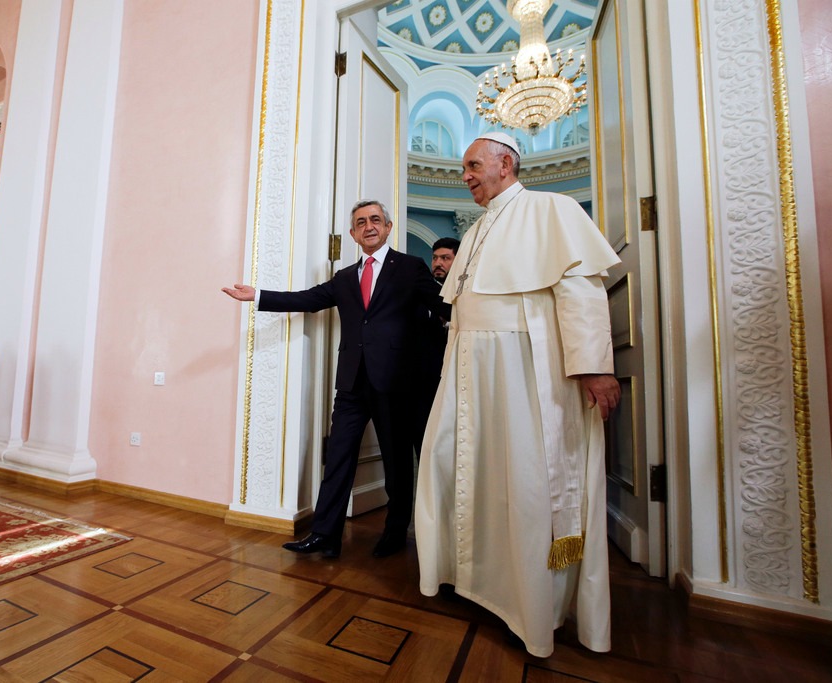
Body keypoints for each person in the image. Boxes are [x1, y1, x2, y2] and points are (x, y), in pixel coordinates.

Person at [414, 132, 622, 658]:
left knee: (524, 480)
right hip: (466, 371)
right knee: (468, 473)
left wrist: (595, 367)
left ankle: (534, 604)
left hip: (523, 371)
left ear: (506, 163)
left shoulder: (551, 209)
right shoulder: (479, 228)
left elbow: (580, 291)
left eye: (472, 165)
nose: (465, 176)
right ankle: (480, 582)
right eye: (464, 168)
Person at [223, 200, 441, 559]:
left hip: (396, 382)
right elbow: (309, 299)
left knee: (396, 460)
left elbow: (441, 305)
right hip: (352, 383)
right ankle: (325, 534)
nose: (368, 226)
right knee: (337, 456)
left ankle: (395, 529)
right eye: (360, 222)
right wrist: (257, 295)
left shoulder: (410, 267)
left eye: (375, 220)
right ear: (353, 235)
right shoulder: (344, 278)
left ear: (387, 227)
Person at [411, 237, 460, 458]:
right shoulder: (419, 292)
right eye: (435, 258)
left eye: (445, 258)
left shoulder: (466, 294)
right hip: (423, 383)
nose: (438, 263)